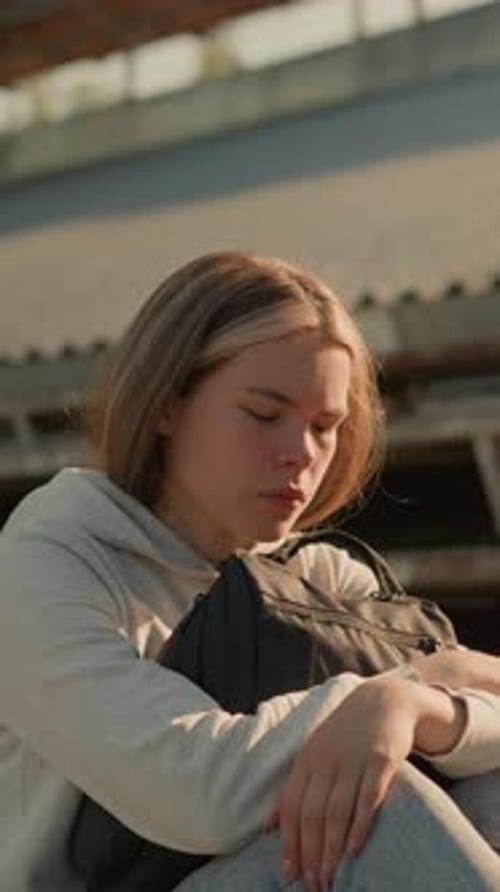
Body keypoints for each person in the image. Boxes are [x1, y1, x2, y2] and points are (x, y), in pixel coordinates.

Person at [0, 251, 499, 892]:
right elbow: (199, 792)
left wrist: (403, 700)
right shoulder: (48, 561)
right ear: (165, 404)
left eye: (325, 426)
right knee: (376, 812)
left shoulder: (317, 574)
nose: (301, 454)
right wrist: (374, 704)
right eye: (265, 415)